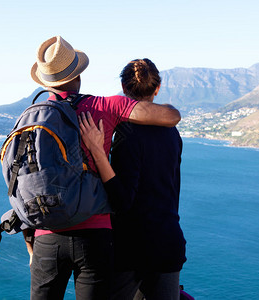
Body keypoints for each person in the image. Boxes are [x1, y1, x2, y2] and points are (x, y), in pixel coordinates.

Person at [27, 37, 181, 300]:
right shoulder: (105, 107)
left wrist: (31, 244)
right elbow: (171, 116)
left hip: (48, 234)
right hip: (99, 234)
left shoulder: (33, 115)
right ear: (79, 74)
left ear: (44, 81)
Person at [78, 58, 186, 300]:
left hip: (130, 248)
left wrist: (97, 151)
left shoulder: (126, 133)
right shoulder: (173, 132)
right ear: (157, 89)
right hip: (168, 242)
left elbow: (123, 201)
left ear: (124, 89)